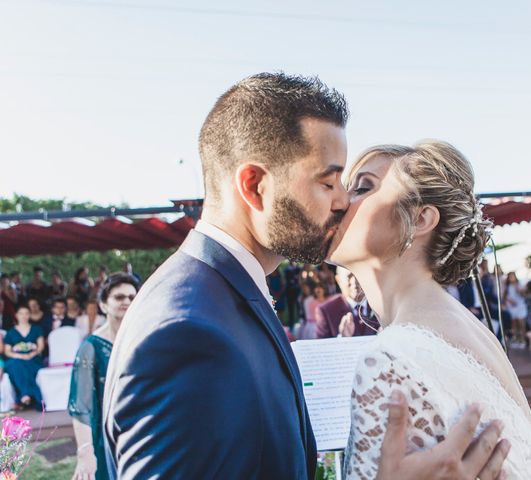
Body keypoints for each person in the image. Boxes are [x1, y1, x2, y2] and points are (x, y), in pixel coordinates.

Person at [103, 73, 508, 480]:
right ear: (255, 186)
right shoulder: (188, 331)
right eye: (327, 181)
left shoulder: (226, 297)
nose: (341, 201)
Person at [327, 141, 531, 478]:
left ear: (420, 219)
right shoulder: (466, 326)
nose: (341, 202)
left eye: (363, 187)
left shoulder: (389, 359)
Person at [69, 273, 138, 480]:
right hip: (107, 439)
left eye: (132, 297)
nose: (126, 301)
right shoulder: (90, 348)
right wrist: (85, 452)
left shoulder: (142, 341)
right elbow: (81, 406)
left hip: (140, 433)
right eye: (119, 297)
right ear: (103, 305)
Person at [317, 267, 379, 338]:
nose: (355, 283)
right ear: (338, 280)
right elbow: (322, 346)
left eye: (359, 275)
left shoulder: (381, 306)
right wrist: (342, 338)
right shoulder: (327, 311)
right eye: (348, 277)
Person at [4, 304, 45, 409]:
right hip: (17, 358)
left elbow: (41, 346)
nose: (24, 316)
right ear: (16, 315)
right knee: (16, 364)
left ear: (29, 315)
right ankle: (30, 395)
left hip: (33, 357)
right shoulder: (11, 332)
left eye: (26, 313)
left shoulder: (36, 329)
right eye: (21, 313)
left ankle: (24, 396)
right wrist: (19, 356)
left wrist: (31, 354)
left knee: (24, 366)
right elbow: (7, 351)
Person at [504, 272, 527, 347]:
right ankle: (516, 339)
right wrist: (509, 301)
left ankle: (522, 340)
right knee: (514, 324)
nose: (511, 278)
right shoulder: (508, 286)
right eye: (510, 277)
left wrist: (519, 290)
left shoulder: (519, 284)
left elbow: (524, 295)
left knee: (521, 324)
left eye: (512, 276)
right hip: (512, 307)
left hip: (520, 306)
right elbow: (505, 296)